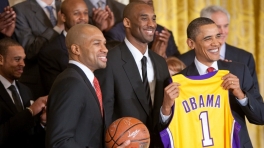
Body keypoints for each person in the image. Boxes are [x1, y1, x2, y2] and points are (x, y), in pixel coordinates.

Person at [162, 17, 264, 148]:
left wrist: (241, 95)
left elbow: (260, 117)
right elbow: (165, 130)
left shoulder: (239, 71)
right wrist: (165, 108)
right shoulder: (178, 81)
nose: (216, 43)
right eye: (208, 38)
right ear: (191, 43)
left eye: (218, 36)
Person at [95, 2, 176, 147]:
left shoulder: (160, 62)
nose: (151, 24)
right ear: (127, 22)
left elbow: (161, 114)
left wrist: (166, 111)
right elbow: (104, 114)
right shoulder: (110, 61)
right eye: (144, 18)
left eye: (154, 18)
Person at [46, 24, 108, 147]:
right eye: (96, 43)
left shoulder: (84, 80)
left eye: (104, 43)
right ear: (76, 49)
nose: (105, 49)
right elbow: (59, 142)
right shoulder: (71, 83)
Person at [177, 5, 259, 91]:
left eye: (225, 26)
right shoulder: (182, 63)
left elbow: (256, 101)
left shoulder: (243, 62)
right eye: (218, 26)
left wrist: (241, 96)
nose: (223, 32)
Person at [0, 37, 47, 148]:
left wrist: (42, 123)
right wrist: (30, 111)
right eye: (17, 59)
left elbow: (31, 134)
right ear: (1, 60)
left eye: (23, 59)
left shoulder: (26, 90)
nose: (23, 64)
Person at [13, 0, 64, 99]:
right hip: (39, 83)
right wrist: (58, 28)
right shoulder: (20, 10)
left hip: (65, 78)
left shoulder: (66, 4)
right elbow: (29, 50)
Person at [38, 0, 89, 95]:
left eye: (85, 13)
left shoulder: (96, 45)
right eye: (76, 13)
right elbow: (56, 92)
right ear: (63, 17)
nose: (83, 18)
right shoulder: (49, 52)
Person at [104, 0, 180, 58]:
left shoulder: (164, 33)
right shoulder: (115, 34)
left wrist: (163, 59)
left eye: (149, 3)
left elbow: (178, 66)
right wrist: (154, 57)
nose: (146, 7)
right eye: (141, 3)